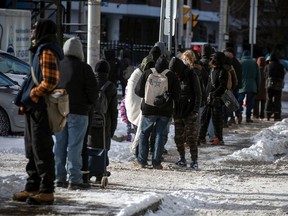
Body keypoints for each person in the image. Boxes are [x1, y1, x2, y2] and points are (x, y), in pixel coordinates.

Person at [13, 19, 64, 205]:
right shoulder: (41, 49)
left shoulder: (47, 50)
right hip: (33, 107)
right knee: (31, 149)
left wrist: (33, 93)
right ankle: (32, 187)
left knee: (42, 150)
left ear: (42, 30)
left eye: (35, 27)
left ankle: (46, 190)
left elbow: (51, 80)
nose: (32, 30)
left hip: (40, 108)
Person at [53, 37, 98, 190]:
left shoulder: (58, 66)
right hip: (79, 113)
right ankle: (75, 179)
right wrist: (87, 104)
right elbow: (93, 93)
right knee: (75, 146)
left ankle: (59, 177)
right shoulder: (85, 69)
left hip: (59, 112)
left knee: (59, 145)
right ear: (80, 51)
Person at [135, 55, 180, 169]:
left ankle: (142, 161)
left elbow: (138, 91)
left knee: (144, 134)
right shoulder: (171, 75)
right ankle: (156, 162)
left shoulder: (147, 72)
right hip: (165, 110)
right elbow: (176, 95)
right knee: (160, 135)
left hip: (148, 108)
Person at [125, 46, 161, 157]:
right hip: (142, 99)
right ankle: (140, 154)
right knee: (144, 130)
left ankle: (140, 154)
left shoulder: (143, 65)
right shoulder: (151, 66)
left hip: (140, 98)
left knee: (141, 129)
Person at [88, 59, 118, 183]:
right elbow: (113, 111)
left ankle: (87, 169)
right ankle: (100, 173)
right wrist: (112, 129)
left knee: (89, 146)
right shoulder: (110, 87)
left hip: (89, 120)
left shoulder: (89, 83)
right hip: (104, 122)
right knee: (102, 147)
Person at [169, 56, 202, 169]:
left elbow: (198, 94)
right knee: (178, 137)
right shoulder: (174, 76)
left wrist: (195, 110)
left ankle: (194, 160)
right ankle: (182, 157)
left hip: (190, 112)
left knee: (191, 137)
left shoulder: (191, 75)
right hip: (178, 111)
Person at [198, 52, 228, 145]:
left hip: (217, 100)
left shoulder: (223, 72)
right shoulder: (212, 70)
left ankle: (219, 138)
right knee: (204, 119)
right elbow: (208, 85)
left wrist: (214, 94)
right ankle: (201, 137)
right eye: (211, 59)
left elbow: (222, 86)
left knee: (217, 120)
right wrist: (206, 95)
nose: (211, 61)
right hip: (208, 99)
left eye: (213, 59)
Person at [238, 50, 260, 123]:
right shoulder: (254, 63)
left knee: (240, 100)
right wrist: (258, 87)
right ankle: (248, 117)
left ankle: (239, 114)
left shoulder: (240, 62)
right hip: (252, 84)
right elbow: (258, 76)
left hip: (242, 84)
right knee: (250, 102)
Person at [223, 47, 243, 124]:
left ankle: (232, 117)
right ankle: (238, 115)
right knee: (234, 101)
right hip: (236, 85)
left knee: (229, 101)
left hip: (231, 85)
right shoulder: (237, 62)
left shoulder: (229, 63)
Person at [264, 52, 285, 121]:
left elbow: (265, 75)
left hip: (269, 84)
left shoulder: (268, 66)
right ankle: (277, 115)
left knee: (269, 99)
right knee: (277, 100)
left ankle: (268, 115)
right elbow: (283, 75)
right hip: (278, 85)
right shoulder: (281, 66)